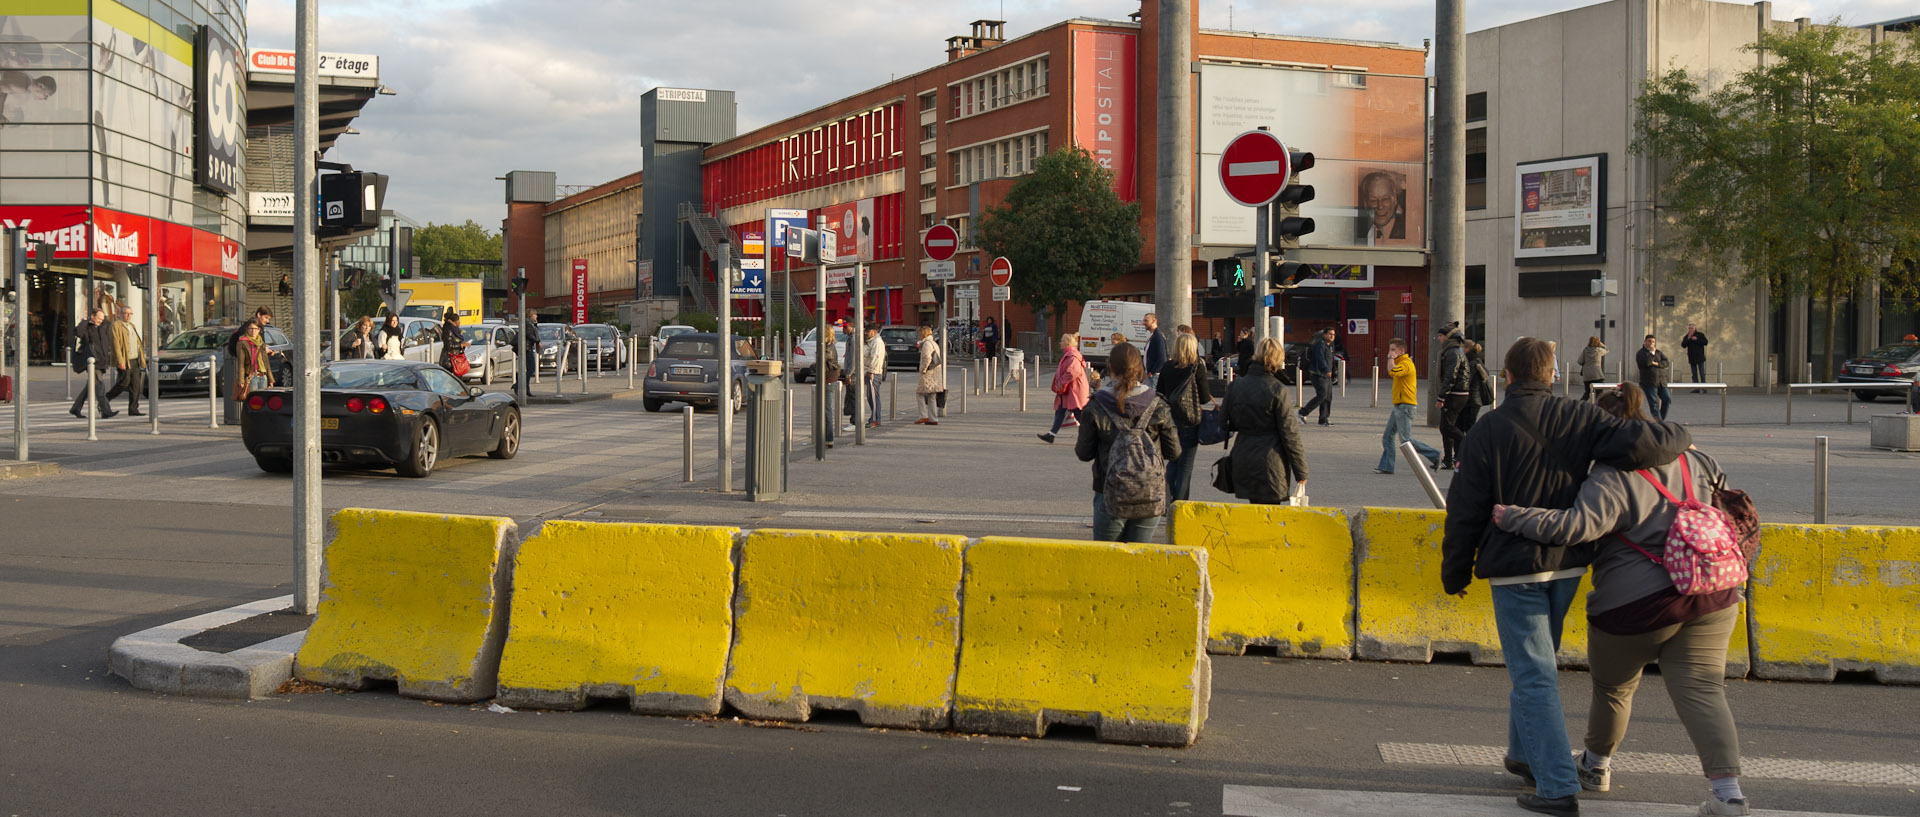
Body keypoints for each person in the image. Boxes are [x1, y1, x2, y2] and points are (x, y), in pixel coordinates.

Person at [1441, 337, 1693, 817]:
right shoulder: (1581, 417)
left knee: (1533, 674)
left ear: (1508, 376)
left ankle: (1556, 786)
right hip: (1569, 563)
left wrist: (1455, 571)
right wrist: (1683, 433)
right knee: (1536, 667)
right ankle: (1525, 756)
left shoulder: (1487, 429)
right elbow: (1647, 441)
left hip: (1515, 569)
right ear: (1553, 374)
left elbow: (1465, 510)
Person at [1492, 382, 1750, 817]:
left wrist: (1514, 515)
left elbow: (1576, 527)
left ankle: (1596, 767)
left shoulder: (1612, 474)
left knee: (1614, 687)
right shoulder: (1699, 460)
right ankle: (1729, 795)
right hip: (1713, 593)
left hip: (1634, 605)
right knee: (1704, 691)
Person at [1074, 343, 1180, 543]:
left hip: (1109, 492)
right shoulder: (1158, 404)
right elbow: (1174, 451)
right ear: (1139, 369)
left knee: (1107, 560)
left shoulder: (1097, 405)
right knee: (1138, 560)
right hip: (1149, 494)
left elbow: (1084, 453)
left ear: (1111, 368)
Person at [1221, 337, 1309, 504]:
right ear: (1278, 358)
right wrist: (1301, 471)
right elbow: (1289, 434)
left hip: (1243, 454)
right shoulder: (1278, 389)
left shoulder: (1236, 385)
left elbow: (1223, 422)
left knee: (1254, 511)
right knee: (1269, 515)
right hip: (1270, 460)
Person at [1155, 332, 1213, 505]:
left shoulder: (1167, 367)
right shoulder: (1197, 367)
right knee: (1186, 465)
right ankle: (1179, 504)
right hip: (1190, 421)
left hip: (1169, 420)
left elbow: (1160, 393)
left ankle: (1167, 499)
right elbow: (1203, 398)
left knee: (1173, 461)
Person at [1375, 337, 1441, 474]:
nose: (1390, 352)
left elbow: (1391, 371)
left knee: (1406, 440)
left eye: (1393, 350)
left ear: (1402, 350)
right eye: (1389, 349)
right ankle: (1387, 466)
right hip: (1399, 405)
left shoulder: (1406, 363)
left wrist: (1390, 358)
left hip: (1406, 406)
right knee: (1388, 436)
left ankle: (1435, 454)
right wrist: (1392, 359)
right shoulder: (1400, 362)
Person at [1040, 333, 1090, 444]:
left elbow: (1073, 372)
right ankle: (1051, 434)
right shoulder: (1070, 354)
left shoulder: (1072, 355)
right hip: (1069, 389)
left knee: (1078, 412)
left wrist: (1061, 381)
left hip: (1073, 389)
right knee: (1060, 410)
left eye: (1062, 341)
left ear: (1067, 343)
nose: (1060, 343)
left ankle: (1092, 435)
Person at [68, 307, 115, 419]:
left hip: (102, 360)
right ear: (92, 317)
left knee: (90, 386)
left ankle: (76, 408)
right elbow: (77, 332)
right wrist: (85, 321)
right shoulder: (87, 327)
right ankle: (105, 411)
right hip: (92, 361)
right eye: (98, 318)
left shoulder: (103, 327)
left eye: (102, 319)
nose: (100, 321)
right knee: (99, 386)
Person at [1436, 325, 1472, 470]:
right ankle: (1451, 458)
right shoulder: (1454, 350)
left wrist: (1441, 396)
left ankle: (1467, 444)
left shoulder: (1452, 352)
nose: (1438, 339)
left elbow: (1451, 375)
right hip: (1458, 392)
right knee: (1449, 426)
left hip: (1455, 393)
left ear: (1448, 337)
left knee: (1447, 426)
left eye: (1440, 336)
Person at [101, 305, 147, 416]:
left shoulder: (132, 326)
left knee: (135, 385)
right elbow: (115, 345)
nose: (128, 316)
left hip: (135, 359)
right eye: (126, 313)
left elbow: (138, 343)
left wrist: (142, 359)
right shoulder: (115, 326)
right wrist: (120, 361)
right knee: (124, 382)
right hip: (125, 360)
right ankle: (105, 399)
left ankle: (133, 409)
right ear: (120, 314)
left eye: (130, 314)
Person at [1298, 327, 1336, 426]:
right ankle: (1302, 412)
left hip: (1326, 375)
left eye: (1333, 334)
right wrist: (1326, 369)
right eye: (1330, 334)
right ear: (1324, 334)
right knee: (1322, 395)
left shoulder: (1330, 345)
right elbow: (1320, 358)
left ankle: (1323, 419)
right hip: (1317, 373)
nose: (1332, 336)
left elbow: (1330, 359)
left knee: (1328, 397)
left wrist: (1332, 371)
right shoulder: (1320, 344)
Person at [816, 326, 844, 446]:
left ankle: (828, 437)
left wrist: (814, 366)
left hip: (827, 378)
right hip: (829, 377)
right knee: (825, 408)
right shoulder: (829, 346)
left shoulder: (827, 347)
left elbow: (822, 361)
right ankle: (825, 437)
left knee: (826, 409)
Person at [1359, 170, 1407, 241]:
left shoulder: (1407, 230)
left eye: (1385, 199)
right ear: (1365, 203)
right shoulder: (1358, 229)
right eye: (1373, 200)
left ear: (1394, 200)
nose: (1380, 206)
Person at [232, 320, 273, 401]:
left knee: (263, 401)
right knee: (254, 402)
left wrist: (270, 379)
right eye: (251, 329)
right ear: (247, 329)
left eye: (255, 329)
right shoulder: (242, 343)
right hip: (251, 377)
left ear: (259, 330)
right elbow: (241, 363)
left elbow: (266, 363)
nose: (253, 331)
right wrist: (241, 380)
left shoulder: (261, 342)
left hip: (263, 376)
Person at [1637, 335, 1673, 420]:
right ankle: (1659, 422)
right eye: (1649, 341)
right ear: (1645, 341)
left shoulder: (1659, 352)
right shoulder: (1641, 353)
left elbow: (1666, 362)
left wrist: (1657, 364)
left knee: (1667, 399)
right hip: (1649, 382)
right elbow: (1647, 363)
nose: (1651, 344)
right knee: (1654, 403)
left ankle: (1660, 420)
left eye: (1653, 342)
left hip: (1661, 381)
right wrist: (1652, 354)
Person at [913, 325, 943, 425]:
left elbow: (926, 357)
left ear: (924, 333)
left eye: (920, 333)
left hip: (928, 374)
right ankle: (933, 418)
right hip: (935, 373)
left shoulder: (926, 344)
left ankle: (923, 416)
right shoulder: (934, 343)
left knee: (920, 394)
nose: (919, 335)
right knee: (932, 396)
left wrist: (923, 369)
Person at [1461, 340, 1492, 432]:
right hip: (1476, 399)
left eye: (1462, 347)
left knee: (1468, 426)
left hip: (1471, 399)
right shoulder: (1478, 360)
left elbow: (1466, 380)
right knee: (1469, 424)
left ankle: (1470, 444)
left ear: (1467, 349)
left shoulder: (1471, 362)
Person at [862, 324, 885, 428]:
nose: (866, 333)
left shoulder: (877, 342)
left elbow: (875, 357)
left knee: (874, 396)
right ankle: (874, 417)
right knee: (871, 396)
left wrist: (871, 371)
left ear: (874, 331)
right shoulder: (871, 342)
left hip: (874, 372)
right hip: (871, 371)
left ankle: (876, 418)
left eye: (868, 331)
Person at [1681, 324, 1710, 392]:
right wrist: (1688, 338)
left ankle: (1704, 387)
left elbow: (1705, 342)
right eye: (1689, 328)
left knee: (1702, 373)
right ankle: (1696, 388)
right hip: (1692, 357)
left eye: (1691, 328)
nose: (1690, 330)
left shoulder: (1700, 335)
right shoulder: (1687, 336)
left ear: (1695, 329)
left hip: (1700, 357)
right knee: (1694, 374)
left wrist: (1697, 339)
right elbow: (1683, 345)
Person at [1578, 337, 1608, 401]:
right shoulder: (1599, 350)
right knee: (1599, 393)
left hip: (1587, 375)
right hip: (1597, 374)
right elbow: (1607, 350)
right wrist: (1601, 344)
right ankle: (1598, 406)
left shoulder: (1585, 350)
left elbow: (1579, 361)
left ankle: (1580, 404)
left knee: (1587, 392)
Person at [1142, 312, 1166, 388]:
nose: (1143, 323)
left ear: (1153, 321)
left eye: (1146, 321)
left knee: (1151, 398)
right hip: (1150, 374)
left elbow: (1162, 358)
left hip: (1154, 376)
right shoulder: (1153, 336)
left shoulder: (1157, 337)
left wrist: (1152, 372)